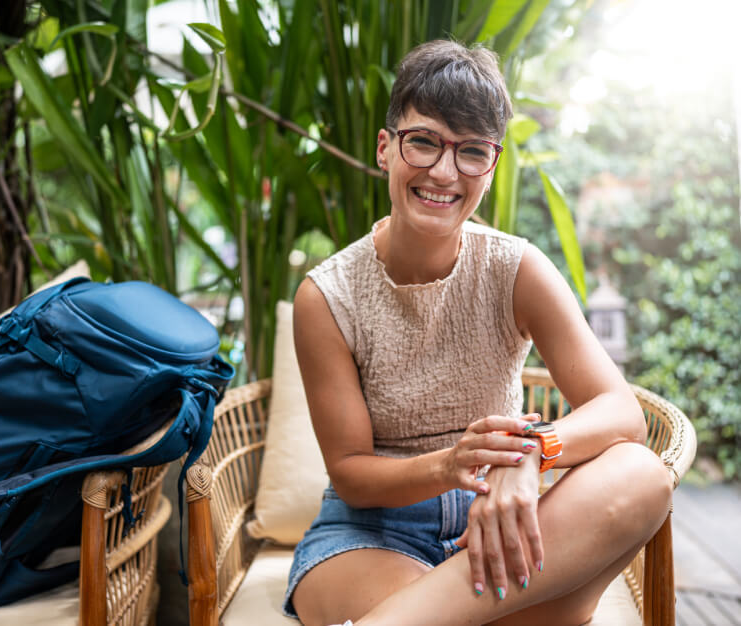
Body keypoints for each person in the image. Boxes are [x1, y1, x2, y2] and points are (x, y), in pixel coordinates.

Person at [285, 40, 672, 626]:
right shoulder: (327, 296)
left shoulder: (516, 269)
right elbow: (352, 474)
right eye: (424, 141)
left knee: (642, 474)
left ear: (491, 168)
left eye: (471, 152)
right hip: (369, 535)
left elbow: (621, 414)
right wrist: (448, 464)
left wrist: (532, 455)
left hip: (500, 519)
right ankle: (549, 611)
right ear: (386, 148)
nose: (444, 172)